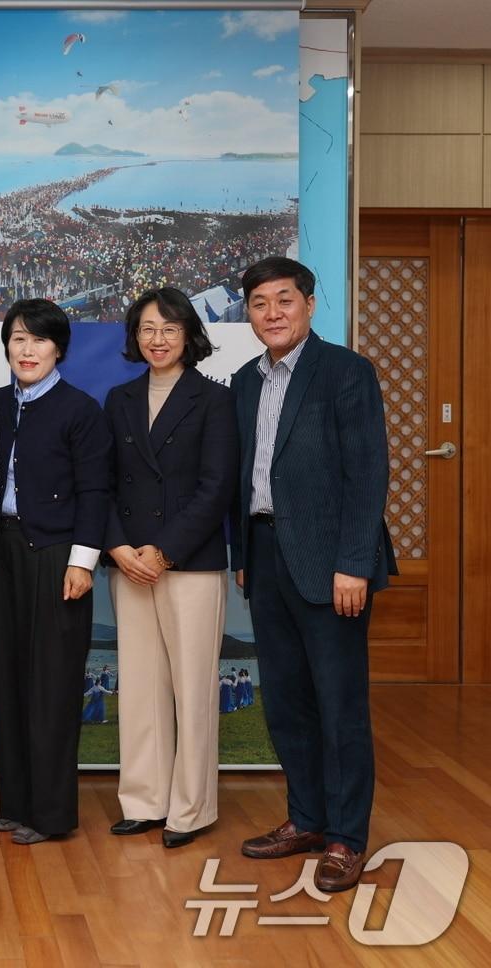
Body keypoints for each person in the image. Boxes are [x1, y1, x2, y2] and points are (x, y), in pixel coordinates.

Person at [231, 256, 396, 893]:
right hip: (266, 557)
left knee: (340, 706)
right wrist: (244, 557)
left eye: (284, 301)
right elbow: (249, 473)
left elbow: (367, 473)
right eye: (259, 304)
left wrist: (354, 563)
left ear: (309, 304)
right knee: (287, 702)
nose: (272, 314)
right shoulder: (246, 380)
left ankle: (346, 839)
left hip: (332, 565)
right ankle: (305, 818)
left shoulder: (347, 372)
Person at [103, 287, 237, 849]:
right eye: (148, 329)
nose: (157, 339)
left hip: (189, 563)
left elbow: (216, 488)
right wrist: (117, 548)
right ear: (135, 336)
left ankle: (191, 808)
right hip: (129, 562)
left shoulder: (214, 400)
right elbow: (101, 483)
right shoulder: (118, 398)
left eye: (170, 328)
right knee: (139, 687)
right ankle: (144, 800)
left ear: (190, 336)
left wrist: (166, 550)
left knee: (193, 687)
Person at [0, 298, 111, 846]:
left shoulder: (80, 410)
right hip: (0, 555)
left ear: (58, 348)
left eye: (37, 339)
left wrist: (83, 561)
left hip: (57, 558)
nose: (25, 349)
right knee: (6, 679)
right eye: (16, 338)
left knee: (53, 686)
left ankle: (52, 814)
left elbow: (95, 492)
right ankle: (15, 803)